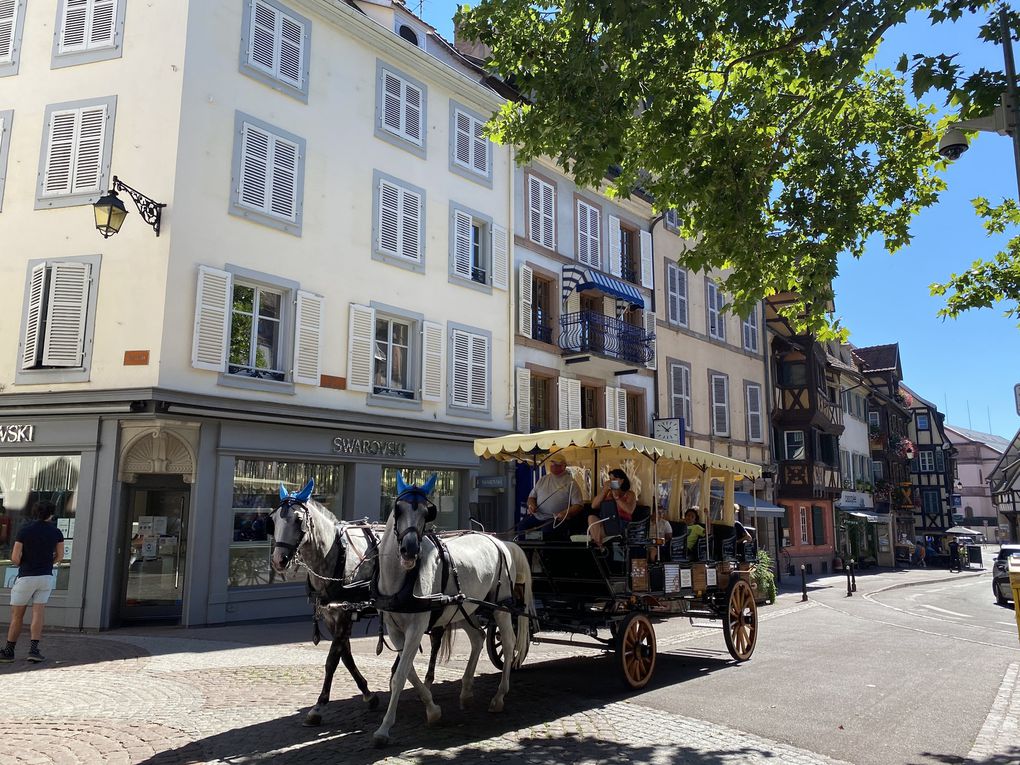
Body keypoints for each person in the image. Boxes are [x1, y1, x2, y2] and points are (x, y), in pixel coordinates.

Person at [1, 501, 64, 663]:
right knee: (38, 613)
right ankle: (34, 650)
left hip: (26, 576)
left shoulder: (25, 530)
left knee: (17, 615)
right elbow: (60, 556)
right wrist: (48, 562)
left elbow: (15, 558)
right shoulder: (56, 532)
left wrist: (25, 563)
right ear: (51, 514)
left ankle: (9, 651)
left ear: (35, 512)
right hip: (46, 576)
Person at [517, 453, 584, 535]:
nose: (552, 465)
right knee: (522, 526)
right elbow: (531, 497)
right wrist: (531, 506)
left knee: (547, 531)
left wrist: (564, 513)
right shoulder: (543, 479)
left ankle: (541, 548)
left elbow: (578, 505)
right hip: (538, 516)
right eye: (551, 463)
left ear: (563, 466)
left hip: (556, 519)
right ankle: (524, 548)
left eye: (556, 464)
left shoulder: (571, 483)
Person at [588, 468, 638, 546]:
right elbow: (594, 506)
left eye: (614, 479)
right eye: (610, 479)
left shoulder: (629, 494)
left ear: (622, 481)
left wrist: (617, 498)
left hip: (621, 522)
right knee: (591, 518)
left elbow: (629, 510)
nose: (611, 481)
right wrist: (604, 490)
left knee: (596, 532)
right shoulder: (608, 494)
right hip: (606, 521)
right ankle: (599, 545)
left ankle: (598, 545)